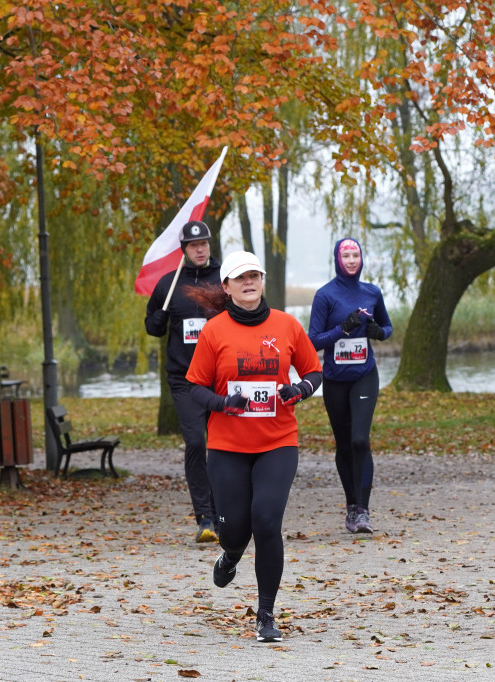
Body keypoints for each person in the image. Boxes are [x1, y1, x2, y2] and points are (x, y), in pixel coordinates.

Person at [185, 250, 323, 643]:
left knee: (266, 522)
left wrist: (300, 389)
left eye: (255, 276)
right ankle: (229, 555)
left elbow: (314, 370)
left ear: (262, 282)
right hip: (227, 446)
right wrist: (223, 402)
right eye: (240, 277)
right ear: (226, 287)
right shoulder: (215, 331)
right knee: (236, 532)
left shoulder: (286, 325)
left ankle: (265, 616)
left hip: (277, 443)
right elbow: (194, 387)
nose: (249, 282)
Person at [308, 237, 393, 534]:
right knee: (344, 444)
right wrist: (342, 328)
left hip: (364, 375)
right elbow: (313, 340)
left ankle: (364, 511)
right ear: (337, 259)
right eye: (347, 255)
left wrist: (376, 332)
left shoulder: (371, 292)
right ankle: (351, 507)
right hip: (334, 379)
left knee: (360, 440)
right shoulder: (325, 296)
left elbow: (387, 326)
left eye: (356, 254)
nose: (352, 259)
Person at [144, 220, 221, 543]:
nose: (199, 249)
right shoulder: (168, 284)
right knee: (196, 443)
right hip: (184, 380)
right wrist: (157, 320)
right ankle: (204, 517)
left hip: (220, 379)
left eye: (203, 243)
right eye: (193, 245)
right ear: (184, 250)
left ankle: (224, 513)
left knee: (222, 448)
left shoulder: (224, 279)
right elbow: (152, 327)